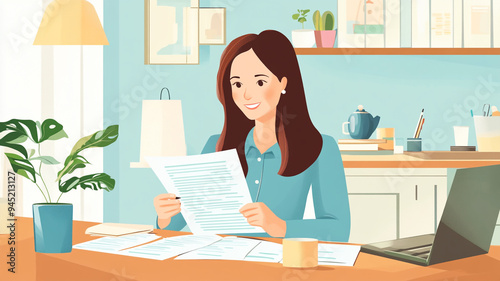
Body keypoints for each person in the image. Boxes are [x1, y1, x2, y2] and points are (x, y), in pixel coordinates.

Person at [154, 30, 350, 242]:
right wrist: (165, 216)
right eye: (237, 84)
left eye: (259, 82)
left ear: (283, 82)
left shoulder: (319, 147)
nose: (246, 95)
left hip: (276, 265)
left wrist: (280, 226)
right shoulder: (216, 145)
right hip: (219, 260)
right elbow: (174, 225)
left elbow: (339, 230)